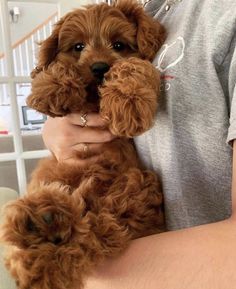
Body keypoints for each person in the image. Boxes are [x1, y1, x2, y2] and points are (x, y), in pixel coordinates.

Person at [42, 0, 236, 288]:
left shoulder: (222, 16)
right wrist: (59, 129)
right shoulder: (143, 12)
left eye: (120, 46)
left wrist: (71, 269)